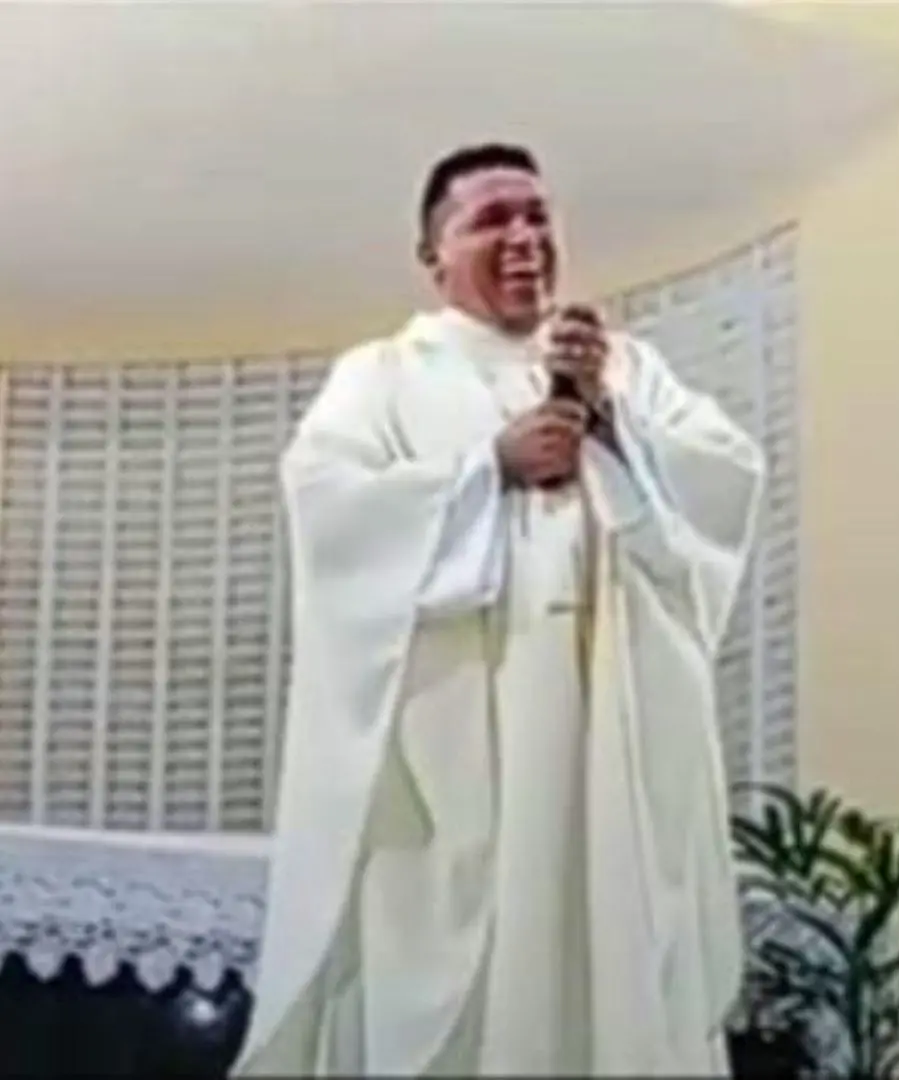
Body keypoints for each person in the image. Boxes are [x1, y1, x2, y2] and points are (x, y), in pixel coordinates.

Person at [234, 143, 764, 1076]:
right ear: (433, 255)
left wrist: (611, 421)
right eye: (491, 220)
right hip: (459, 766)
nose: (524, 236)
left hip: (608, 754)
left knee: (609, 965)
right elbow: (328, 508)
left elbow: (727, 479)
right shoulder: (383, 375)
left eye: (537, 216)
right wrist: (488, 469)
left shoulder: (626, 369)